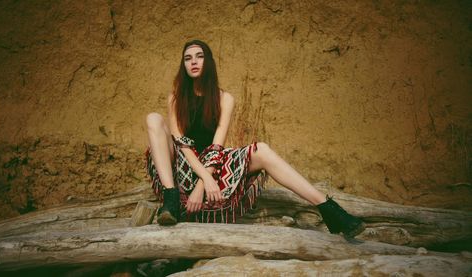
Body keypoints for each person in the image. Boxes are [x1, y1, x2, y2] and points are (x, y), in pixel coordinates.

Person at [145, 39, 365, 239]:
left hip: (213, 164)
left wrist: (204, 184)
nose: (193, 62)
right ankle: (171, 200)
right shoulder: (175, 97)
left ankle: (328, 208)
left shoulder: (224, 98)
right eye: (188, 58)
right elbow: (182, 144)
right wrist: (203, 178)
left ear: (209, 62)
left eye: (199, 56)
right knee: (153, 119)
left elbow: (217, 146)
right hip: (183, 164)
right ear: (183, 65)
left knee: (262, 149)